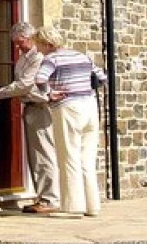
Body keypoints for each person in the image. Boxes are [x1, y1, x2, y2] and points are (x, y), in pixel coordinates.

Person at [34, 26, 106, 216]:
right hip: (90, 107)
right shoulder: (82, 56)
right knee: (87, 160)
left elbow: (40, 79)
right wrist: (84, 89)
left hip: (69, 108)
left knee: (69, 157)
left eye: (39, 45)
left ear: (47, 43)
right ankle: (92, 206)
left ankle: (72, 206)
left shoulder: (52, 59)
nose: (38, 49)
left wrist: (50, 93)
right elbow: (101, 77)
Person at [0, 22, 60, 213]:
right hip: (29, 107)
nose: (17, 46)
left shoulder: (38, 58)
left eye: (20, 42)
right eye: (15, 43)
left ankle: (49, 199)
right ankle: (43, 197)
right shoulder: (23, 58)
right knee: (35, 156)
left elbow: (25, 85)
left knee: (43, 153)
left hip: (41, 107)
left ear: (30, 38)